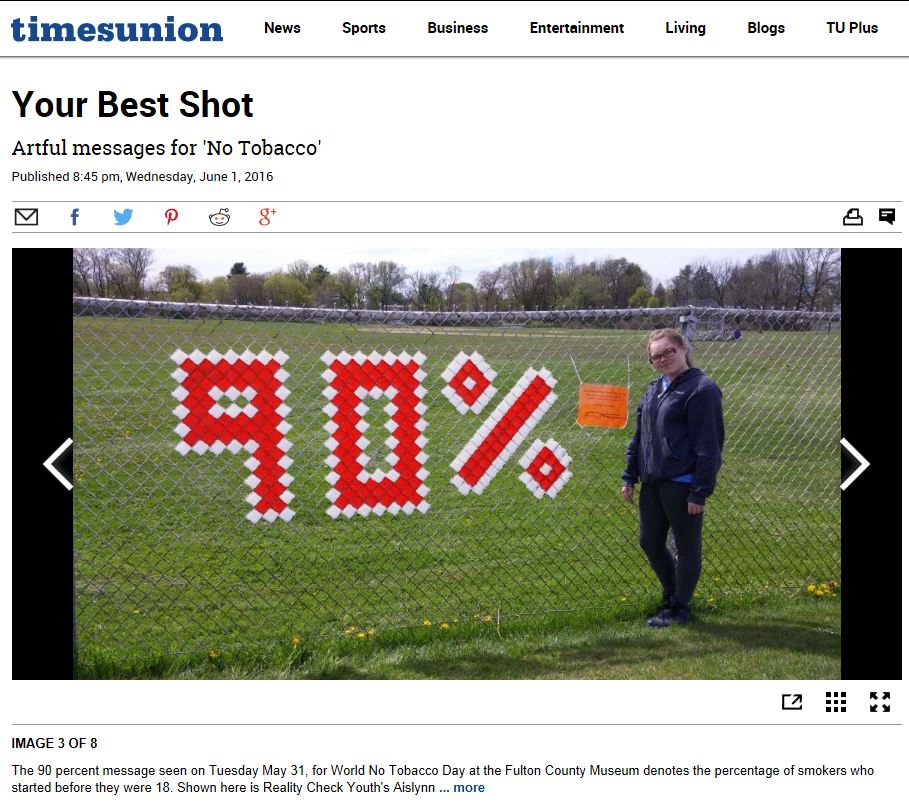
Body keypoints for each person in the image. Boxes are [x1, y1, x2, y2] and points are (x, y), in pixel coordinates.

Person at [621, 328, 724, 627]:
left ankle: (680, 607)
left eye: (669, 351)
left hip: (683, 483)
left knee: (687, 545)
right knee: (650, 541)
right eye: (656, 356)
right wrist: (630, 475)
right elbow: (641, 436)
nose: (664, 359)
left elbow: (710, 445)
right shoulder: (654, 389)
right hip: (653, 481)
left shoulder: (702, 389)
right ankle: (672, 594)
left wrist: (699, 491)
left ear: (682, 348)